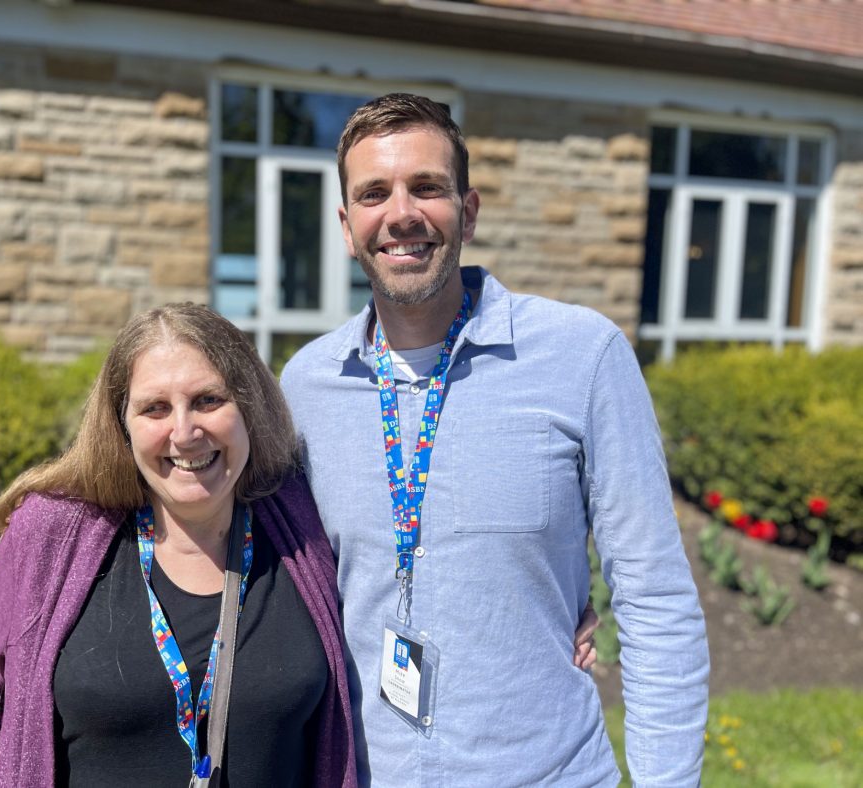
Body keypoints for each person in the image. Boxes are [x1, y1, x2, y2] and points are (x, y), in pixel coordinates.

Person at [280, 94, 709, 786]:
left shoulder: (582, 357)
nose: (402, 214)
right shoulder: (304, 386)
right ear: (346, 224)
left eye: (428, 187)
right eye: (374, 194)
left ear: (469, 211)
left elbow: (656, 598)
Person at [0, 304, 357, 787]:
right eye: (155, 408)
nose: (185, 433)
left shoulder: (300, 522)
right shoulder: (51, 534)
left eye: (208, 400)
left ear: (249, 409)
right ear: (122, 425)